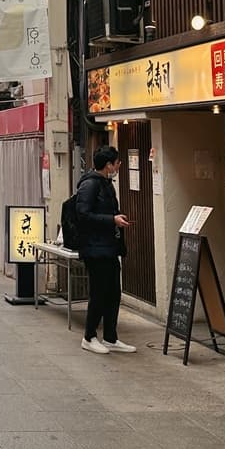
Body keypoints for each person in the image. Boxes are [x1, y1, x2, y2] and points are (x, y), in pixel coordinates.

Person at [75, 145, 135, 355]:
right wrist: (111, 219)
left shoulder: (106, 184)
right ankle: (89, 337)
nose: (119, 165)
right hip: (95, 249)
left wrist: (116, 219)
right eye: (117, 162)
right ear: (108, 165)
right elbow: (82, 215)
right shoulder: (91, 185)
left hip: (108, 248)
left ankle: (110, 337)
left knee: (113, 294)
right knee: (99, 294)